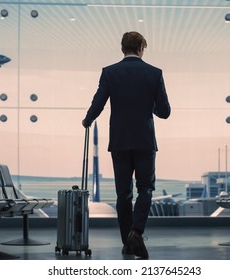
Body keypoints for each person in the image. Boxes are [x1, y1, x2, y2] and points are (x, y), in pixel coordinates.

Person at [82, 31, 171, 259]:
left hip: (120, 141)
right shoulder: (154, 73)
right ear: (141, 47)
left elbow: (98, 102)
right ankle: (136, 233)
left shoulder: (110, 72)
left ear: (123, 48)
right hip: (144, 140)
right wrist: (147, 106)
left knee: (123, 194)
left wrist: (88, 119)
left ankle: (127, 242)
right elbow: (165, 112)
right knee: (146, 188)